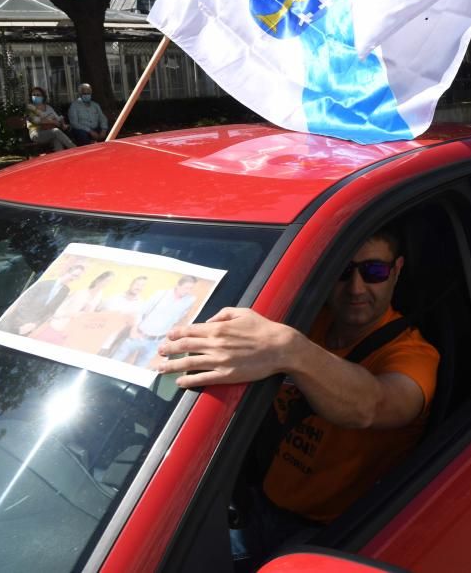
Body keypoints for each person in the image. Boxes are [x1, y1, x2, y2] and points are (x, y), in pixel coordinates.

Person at [156, 228, 439, 566]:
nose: (356, 288)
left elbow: (374, 405)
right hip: (256, 498)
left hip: (326, 534)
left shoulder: (414, 355)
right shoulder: (306, 322)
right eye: (343, 272)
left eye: (374, 271)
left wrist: (291, 350)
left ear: (397, 270)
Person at [112, 276, 198, 367]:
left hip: (156, 342)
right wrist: (134, 329)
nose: (188, 291)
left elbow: (178, 319)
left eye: (191, 288)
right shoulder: (161, 294)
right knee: (115, 361)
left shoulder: (190, 300)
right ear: (178, 285)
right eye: (186, 288)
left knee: (139, 368)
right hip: (139, 335)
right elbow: (141, 312)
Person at [0, 264, 86, 336]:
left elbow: (50, 311)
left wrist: (35, 325)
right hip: (13, 323)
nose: (74, 279)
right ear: (67, 272)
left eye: (77, 277)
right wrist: (25, 323)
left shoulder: (65, 291)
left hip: (31, 328)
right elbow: (23, 303)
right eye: (74, 275)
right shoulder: (43, 283)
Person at [32, 270, 114, 345]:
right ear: (99, 279)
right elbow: (57, 312)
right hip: (55, 328)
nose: (106, 284)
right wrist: (71, 314)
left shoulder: (98, 298)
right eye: (106, 281)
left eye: (109, 282)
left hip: (69, 335)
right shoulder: (80, 293)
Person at [97, 275, 149, 355]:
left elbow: (136, 325)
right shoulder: (115, 297)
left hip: (118, 345)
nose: (139, 287)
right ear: (131, 284)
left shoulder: (142, 305)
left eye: (142, 286)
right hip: (100, 340)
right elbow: (100, 313)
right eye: (137, 284)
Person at [25, 86, 75, 152]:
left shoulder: (48, 107)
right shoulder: (29, 108)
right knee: (56, 131)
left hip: (49, 131)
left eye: (38, 95)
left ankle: (60, 157)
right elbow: (37, 121)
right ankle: (75, 148)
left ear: (43, 97)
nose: (35, 96)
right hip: (36, 133)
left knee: (56, 139)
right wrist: (52, 122)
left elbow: (57, 118)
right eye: (33, 95)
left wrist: (61, 122)